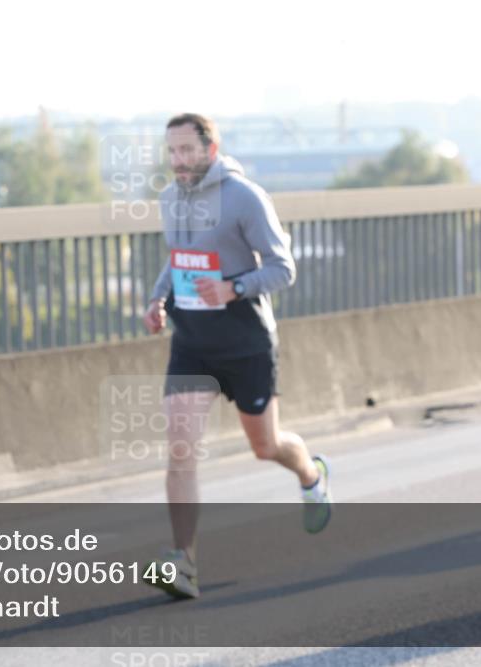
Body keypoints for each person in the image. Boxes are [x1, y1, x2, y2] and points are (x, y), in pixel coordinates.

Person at [141, 113, 333, 599]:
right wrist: (159, 298)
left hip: (245, 340)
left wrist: (234, 287)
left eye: (187, 150)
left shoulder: (245, 197)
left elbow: (283, 268)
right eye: (172, 151)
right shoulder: (169, 199)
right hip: (192, 343)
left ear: (211, 148)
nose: (179, 161)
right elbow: (178, 257)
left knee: (265, 446)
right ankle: (183, 561)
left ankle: (311, 474)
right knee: (180, 450)